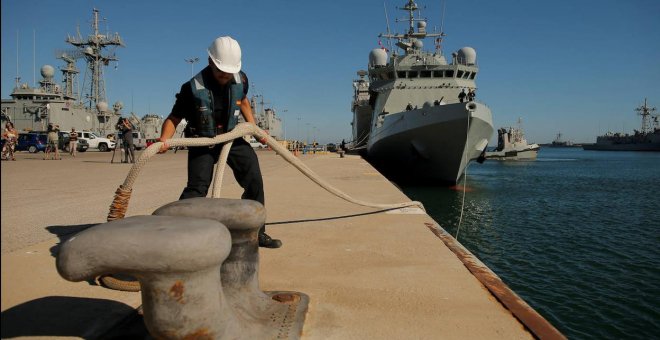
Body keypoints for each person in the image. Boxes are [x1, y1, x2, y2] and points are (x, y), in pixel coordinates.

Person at [157, 36, 281, 248]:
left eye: (229, 71)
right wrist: (164, 140)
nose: (225, 75)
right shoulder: (191, 88)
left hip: (232, 138)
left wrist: (255, 128)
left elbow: (243, 102)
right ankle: (175, 235)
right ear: (210, 62)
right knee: (197, 189)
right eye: (221, 70)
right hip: (202, 140)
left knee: (254, 181)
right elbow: (174, 117)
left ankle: (256, 232)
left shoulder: (240, 79)